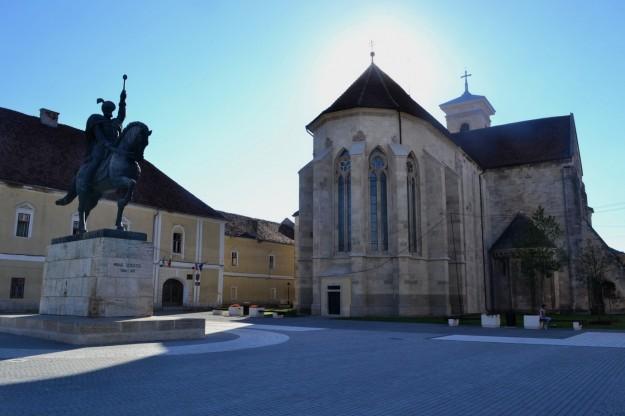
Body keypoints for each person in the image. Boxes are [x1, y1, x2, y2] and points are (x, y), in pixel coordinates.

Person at [55, 88, 126, 205]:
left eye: (111, 111)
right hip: (100, 149)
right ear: (104, 110)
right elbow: (99, 136)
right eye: (108, 110)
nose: (110, 113)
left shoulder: (114, 123)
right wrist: (107, 144)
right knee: (94, 163)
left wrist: (122, 100)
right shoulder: (96, 120)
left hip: (114, 150)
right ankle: (85, 183)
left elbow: (122, 115)